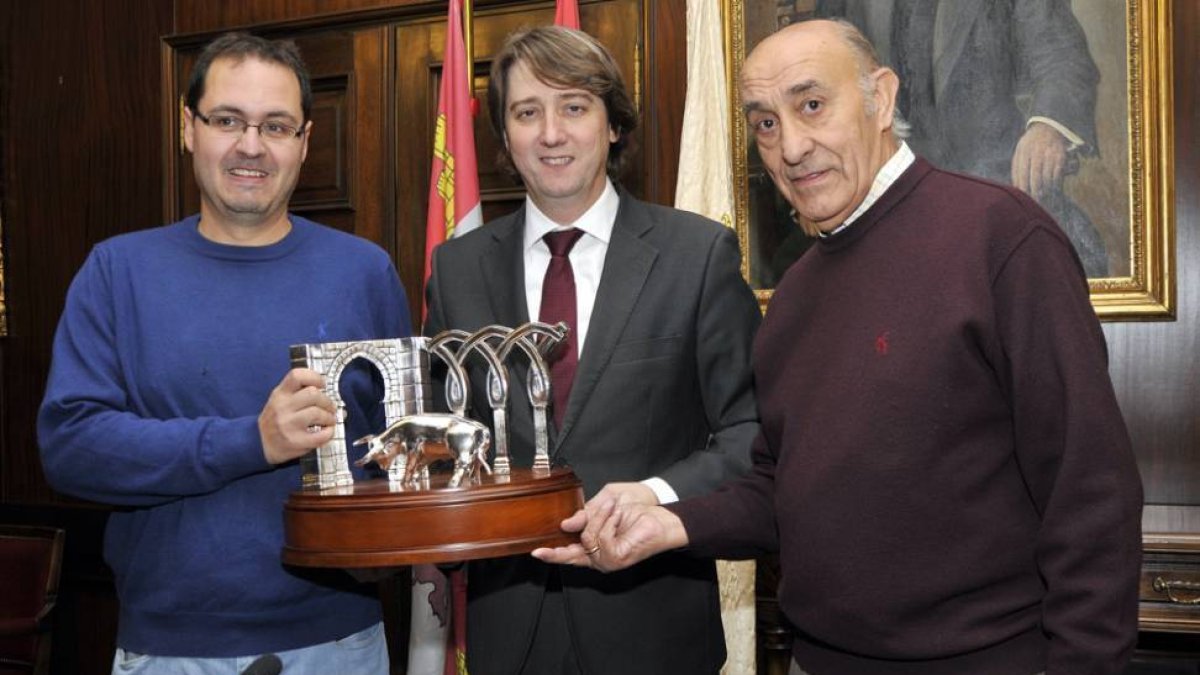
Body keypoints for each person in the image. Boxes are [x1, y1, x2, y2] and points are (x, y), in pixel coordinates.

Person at [535, 19, 1143, 675]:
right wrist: (670, 521)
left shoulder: (1001, 238)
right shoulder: (793, 293)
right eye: (765, 123)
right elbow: (780, 488)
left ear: (882, 98)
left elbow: (1090, 494)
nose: (791, 146)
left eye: (812, 105)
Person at [38, 32, 408, 674]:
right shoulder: (117, 272)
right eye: (228, 120)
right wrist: (253, 442)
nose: (251, 146)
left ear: (306, 142)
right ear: (189, 127)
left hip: (343, 643)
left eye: (277, 126)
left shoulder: (365, 273)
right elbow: (72, 448)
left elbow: (400, 451)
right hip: (172, 651)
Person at [423, 25, 761, 675]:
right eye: (527, 112)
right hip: (509, 634)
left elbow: (751, 433)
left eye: (574, 107)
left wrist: (656, 495)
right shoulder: (457, 268)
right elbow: (445, 442)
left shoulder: (696, 255)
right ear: (505, 136)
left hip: (654, 629)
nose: (551, 133)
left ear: (613, 125)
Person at [813, 0, 1110, 276]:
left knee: (1066, 261)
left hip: (992, 187)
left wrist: (1048, 128)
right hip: (884, 198)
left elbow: (1061, 56)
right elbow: (816, 70)